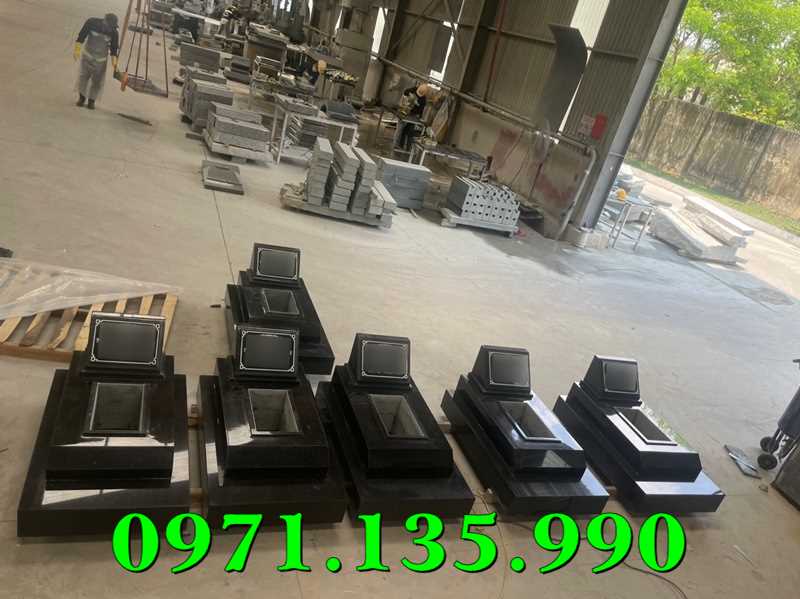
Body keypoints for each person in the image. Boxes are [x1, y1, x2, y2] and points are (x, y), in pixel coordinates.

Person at [73, 13, 119, 110]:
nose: (110, 29)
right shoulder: (91, 22)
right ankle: (81, 98)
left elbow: (114, 49)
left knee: (97, 82)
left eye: (112, 27)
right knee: (83, 77)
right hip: (87, 56)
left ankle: (91, 101)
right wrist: (77, 49)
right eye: (109, 26)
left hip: (101, 61)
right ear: (104, 21)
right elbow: (81, 36)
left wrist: (114, 63)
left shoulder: (114, 32)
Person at [397, 83, 429, 151]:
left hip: (414, 115)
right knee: (400, 129)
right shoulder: (413, 89)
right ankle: (399, 145)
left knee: (410, 131)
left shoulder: (423, 99)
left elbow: (421, 110)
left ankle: (408, 148)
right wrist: (410, 95)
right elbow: (405, 92)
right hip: (405, 112)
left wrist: (419, 117)